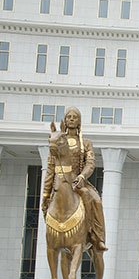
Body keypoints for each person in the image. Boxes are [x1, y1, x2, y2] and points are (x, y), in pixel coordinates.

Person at [41, 106, 106, 250]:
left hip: (79, 181)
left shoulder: (86, 143)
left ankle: (95, 235)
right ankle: (52, 234)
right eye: (68, 116)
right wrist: (46, 193)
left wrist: (82, 176)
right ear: (65, 120)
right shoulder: (57, 141)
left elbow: (90, 163)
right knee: (49, 204)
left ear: (79, 121)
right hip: (61, 182)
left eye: (74, 117)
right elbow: (51, 168)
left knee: (95, 200)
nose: (71, 119)